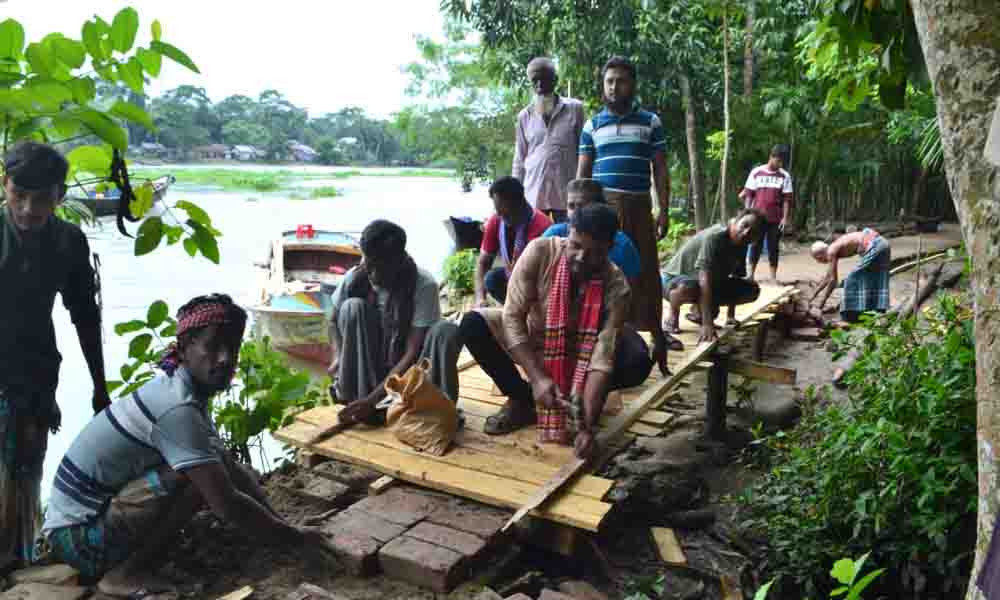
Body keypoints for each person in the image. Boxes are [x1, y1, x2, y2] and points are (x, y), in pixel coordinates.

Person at [42, 294, 336, 597]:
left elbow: (227, 466)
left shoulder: (180, 387)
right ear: (183, 349)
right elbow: (227, 504)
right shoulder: (177, 408)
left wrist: (282, 525)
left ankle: (135, 562)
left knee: (213, 462)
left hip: (85, 521)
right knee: (200, 482)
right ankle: (126, 573)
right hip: (80, 541)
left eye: (232, 348)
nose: (225, 358)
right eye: (213, 347)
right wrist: (294, 539)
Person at [459, 204, 654, 459]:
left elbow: (602, 356)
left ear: (609, 249)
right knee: (472, 324)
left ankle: (583, 403)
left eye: (594, 252)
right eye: (575, 246)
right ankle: (523, 399)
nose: (581, 257)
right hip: (536, 339)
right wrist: (538, 378)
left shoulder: (617, 286)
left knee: (638, 361)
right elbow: (513, 317)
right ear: (568, 234)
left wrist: (587, 428)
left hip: (583, 353)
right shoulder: (539, 251)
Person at [0, 142, 110, 569]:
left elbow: (84, 314)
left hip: (35, 374)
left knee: (24, 473)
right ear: (4, 185)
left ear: (60, 196)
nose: (28, 210)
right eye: (19, 195)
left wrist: (99, 386)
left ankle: (16, 560)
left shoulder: (67, 241)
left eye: (42, 199)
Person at [577, 55, 671, 366]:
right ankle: (609, 340)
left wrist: (664, 210)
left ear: (633, 85)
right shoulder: (592, 126)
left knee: (645, 273)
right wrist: (580, 217)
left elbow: (660, 169)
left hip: (640, 207)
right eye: (609, 81)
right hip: (603, 211)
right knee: (604, 272)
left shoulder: (650, 122)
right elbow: (582, 176)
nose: (614, 87)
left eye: (621, 81)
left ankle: (657, 336)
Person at [328, 220, 461, 426]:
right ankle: (357, 401)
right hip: (370, 370)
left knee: (445, 331)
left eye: (379, 266)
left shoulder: (423, 284)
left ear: (398, 261)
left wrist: (373, 399)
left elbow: (412, 353)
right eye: (369, 263)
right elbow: (332, 322)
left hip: (406, 373)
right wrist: (338, 355)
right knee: (352, 307)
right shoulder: (355, 277)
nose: (372, 273)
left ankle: (434, 411)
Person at [661, 209, 766, 343]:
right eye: (744, 225)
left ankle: (697, 312)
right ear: (736, 221)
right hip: (672, 280)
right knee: (688, 288)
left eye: (752, 232)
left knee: (752, 290)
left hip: (703, 282)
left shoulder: (743, 243)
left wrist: (730, 316)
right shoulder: (715, 237)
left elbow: (735, 278)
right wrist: (707, 324)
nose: (746, 232)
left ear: (756, 238)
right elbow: (704, 280)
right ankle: (672, 317)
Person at [512, 57, 586, 224]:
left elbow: (584, 151)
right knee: (536, 239)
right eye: (535, 80)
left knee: (569, 237)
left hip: (567, 196)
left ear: (555, 80)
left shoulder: (575, 109)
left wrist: (584, 190)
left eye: (544, 79)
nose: (540, 85)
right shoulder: (524, 116)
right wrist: (514, 195)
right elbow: (519, 159)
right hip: (534, 194)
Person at [475, 176, 552, 305]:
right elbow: (483, 263)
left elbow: (547, 277)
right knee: (492, 279)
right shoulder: (497, 220)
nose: (499, 214)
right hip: (513, 277)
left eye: (504, 210)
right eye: (497, 209)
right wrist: (480, 299)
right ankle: (511, 307)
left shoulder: (544, 227)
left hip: (537, 285)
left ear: (519, 202)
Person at [808, 228, 891, 322]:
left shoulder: (831, 251)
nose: (818, 262)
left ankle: (851, 315)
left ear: (819, 255)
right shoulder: (833, 247)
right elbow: (827, 278)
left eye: (817, 259)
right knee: (874, 278)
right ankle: (877, 309)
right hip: (883, 244)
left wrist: (820, 304)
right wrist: (813, 296)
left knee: (851, 280)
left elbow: (833, 281)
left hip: (875, 246)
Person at [740, 144, 793, 283]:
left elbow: (786, 200)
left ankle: (773, 277)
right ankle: (750, 275)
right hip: (757, 218)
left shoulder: (785, 176)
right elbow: (749, 195)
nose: (780, 164)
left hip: (775, 219)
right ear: (771, 157)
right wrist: (747, 213)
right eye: (778, 161)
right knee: (755, 245)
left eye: (782, 162)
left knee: (773, 247)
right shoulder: (756, 172)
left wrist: (784, 218)